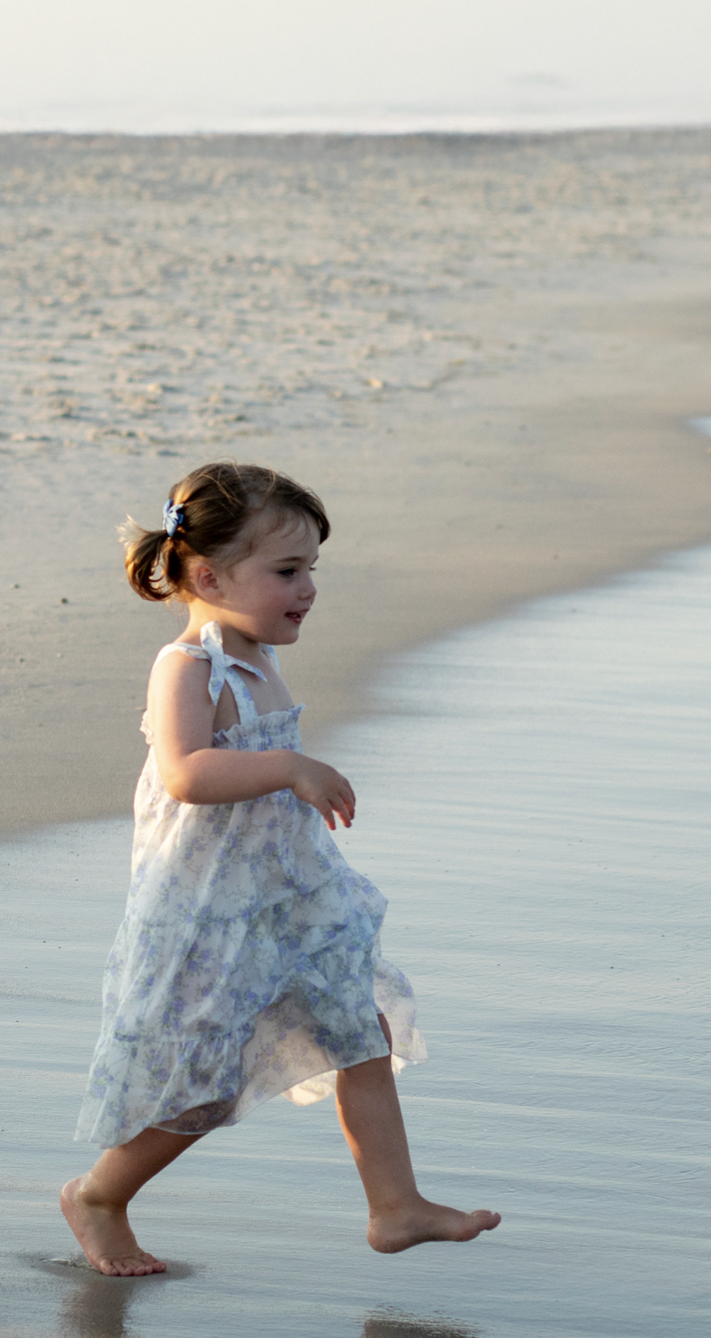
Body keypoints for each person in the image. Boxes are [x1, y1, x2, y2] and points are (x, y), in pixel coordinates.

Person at [61, 461, 501, 1277]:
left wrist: (291, 779)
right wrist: (291, 767)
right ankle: (99, 1195)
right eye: (287, 572)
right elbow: (186, 772)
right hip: (206, 910)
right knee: (202, 1081)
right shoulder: (186, 667)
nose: (307, 590)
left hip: (284, 897)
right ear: (206, 575)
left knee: (357, 1031)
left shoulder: (256, 655)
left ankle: (394, 1205)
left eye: (311, 572)